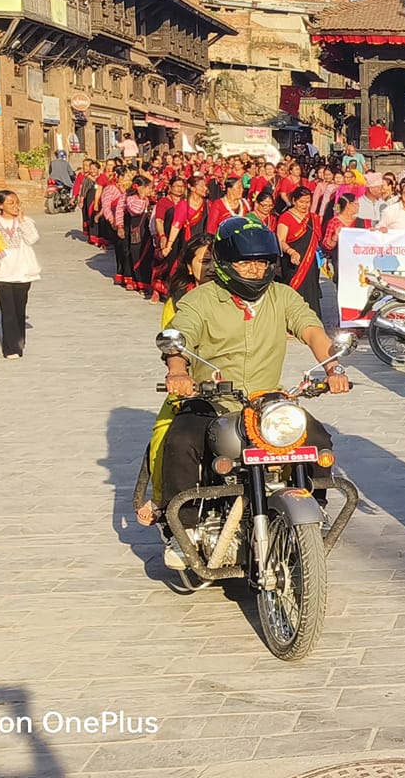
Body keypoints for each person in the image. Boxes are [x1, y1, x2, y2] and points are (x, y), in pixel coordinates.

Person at [154, 217, 351, 557]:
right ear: (227, 263)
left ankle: (314, 511)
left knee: (318, 440)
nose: (255, 270)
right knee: (181, 440)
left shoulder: (282, 296)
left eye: (262, 263)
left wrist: (333, 367)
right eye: (246, 263)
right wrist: (178, 372)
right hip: (212, 399)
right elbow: (178, 339)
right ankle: (183, 532)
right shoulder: (201, 299)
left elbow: (311, 331)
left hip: (267, 402)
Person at [0, 190, 40, 360]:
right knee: (8, 311)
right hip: (2, 272)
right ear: (0, 205)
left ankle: (19, 338)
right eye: (10, 203)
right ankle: (11, 347)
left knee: (19, 308)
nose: (15, 206)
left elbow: (33, 239)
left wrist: (21, 220)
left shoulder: (26, 222)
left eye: (17, 203)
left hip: (23, 271)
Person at [276, 187, 325, 320]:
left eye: (308, 202)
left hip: (310, 262)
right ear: (294, 201)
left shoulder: (313, 218)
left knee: (311, 290)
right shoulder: (286, 217)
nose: (305, 205)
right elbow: (280, 240)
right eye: (301, 202)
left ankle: (312, 322)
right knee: (294, 291)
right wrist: (291, 252)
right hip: (293, 262)